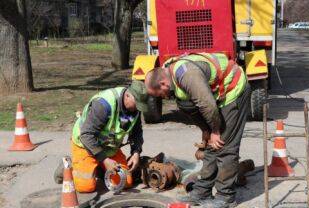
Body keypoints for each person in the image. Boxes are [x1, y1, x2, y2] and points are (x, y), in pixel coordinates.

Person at [144, 52, 251, 208]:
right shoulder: (172, 76)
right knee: (210, 146)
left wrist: (215, 131)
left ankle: (225, 196)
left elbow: (207, 104)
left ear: (162, 83)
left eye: (160, 94)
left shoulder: (187, 75)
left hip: (234, 90)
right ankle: (202, 192)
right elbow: (193, 108)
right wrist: (206, 132)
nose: (163, 97)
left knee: (224, 146)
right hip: (218, 97)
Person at [69, 81, 149, 193]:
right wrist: (105, 160)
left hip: (109, 148)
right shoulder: (104, 105)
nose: (138, 109)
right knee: (85, 187)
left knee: (126, 182)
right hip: (86, 145)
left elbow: (136, 132)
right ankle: (69, 168)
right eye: (137, 104)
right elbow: (87, 135)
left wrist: (136, 152)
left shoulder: (134, 109)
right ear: (127, 95)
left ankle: (99, 168)